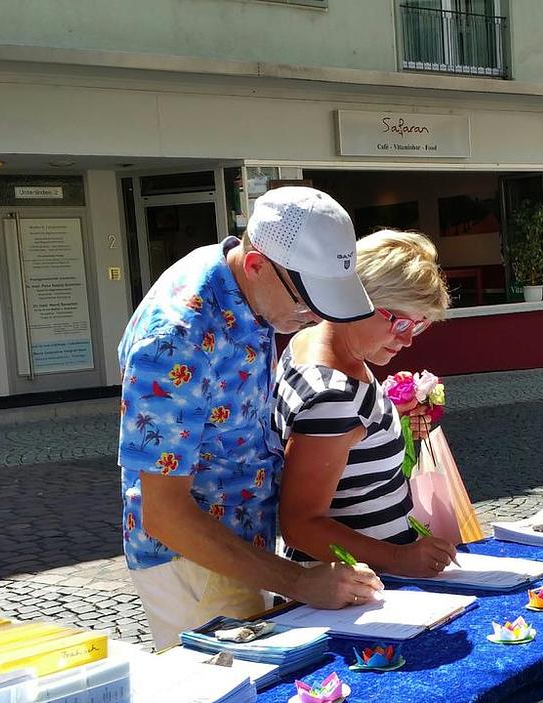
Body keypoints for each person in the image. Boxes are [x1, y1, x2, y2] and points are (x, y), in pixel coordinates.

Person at [118, 187, 384, 649]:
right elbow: (163, 513)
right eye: (305, 303)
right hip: (193, 560)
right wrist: (297, 582)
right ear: (258, 264)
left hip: (239, 541)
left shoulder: (245, 279)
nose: (309, 318)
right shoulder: (177, 335)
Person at [274, 230, 457, 578]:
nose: (406, 339)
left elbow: (346, 443)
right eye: (400, 322)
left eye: (418, 326)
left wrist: (387, 420)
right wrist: (399, 559)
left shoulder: (315, 342)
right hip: (354, 588)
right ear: (357, 300)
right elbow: (300, 524)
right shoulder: (332, 396)